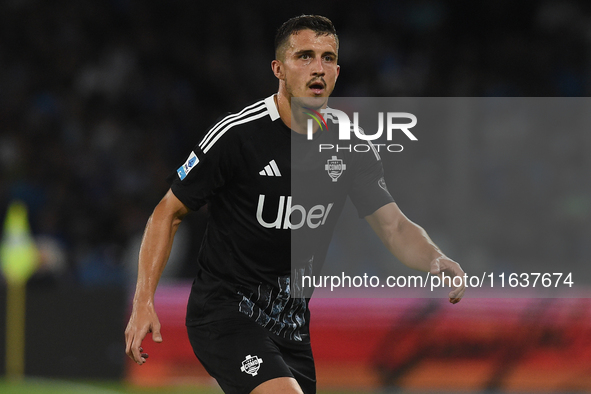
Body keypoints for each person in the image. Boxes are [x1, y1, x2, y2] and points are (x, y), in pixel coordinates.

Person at [125, 14, 466, 394]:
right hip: (225, 314)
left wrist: (435, 257)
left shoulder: (351, 145)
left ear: (337, 70)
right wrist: (143, 301)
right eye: (304, 56)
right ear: (279, 69)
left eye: (327, 57)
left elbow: (394, 226)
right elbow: (167, 212)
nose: (317, 68)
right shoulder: (238, 136)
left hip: (292, 327)